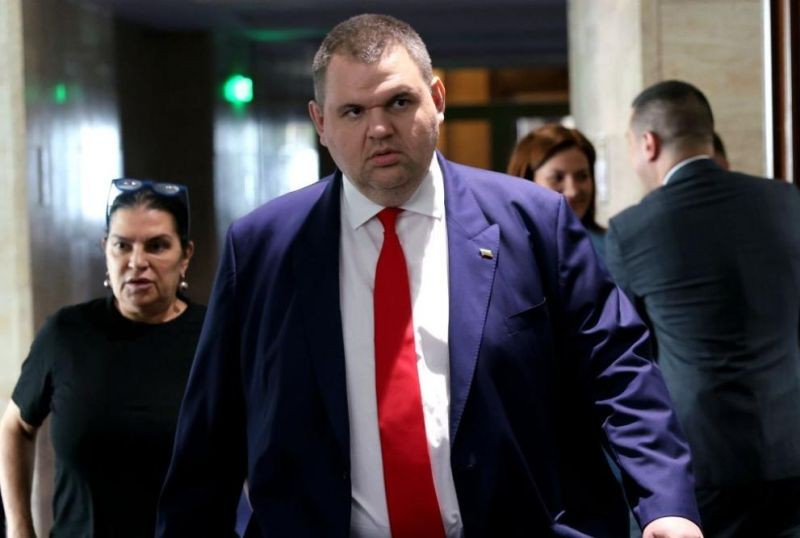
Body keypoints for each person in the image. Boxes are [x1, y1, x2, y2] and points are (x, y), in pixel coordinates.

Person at [157, 14, 702, 538]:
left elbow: (618, 369)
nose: (379, 129)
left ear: (437, 100)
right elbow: (212, 432)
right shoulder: (261, 248)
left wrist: (667, 505)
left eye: (399, 102)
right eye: (352, 111)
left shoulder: (534, 222)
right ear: (320, 123)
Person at [606, 79, 800, 537]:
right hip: (791, 446)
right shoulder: (787, 201)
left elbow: (629, 355)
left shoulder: (633, 229)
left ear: (648, 143)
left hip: (703, 458)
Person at [0, 179, 205, 537]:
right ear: (105, 249)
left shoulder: (216, 338)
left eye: (157, 246)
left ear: (185, 255)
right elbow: (16, 426)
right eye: (122, 245)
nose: (137, 262)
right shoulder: (66, 334)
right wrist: (19, 529)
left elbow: (256, 443)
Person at [508, 124, 607, 258]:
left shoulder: (613, 249)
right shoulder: (505, 254)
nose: (573, 191)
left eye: (582, 176)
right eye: (557, 178)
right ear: (527, 182)